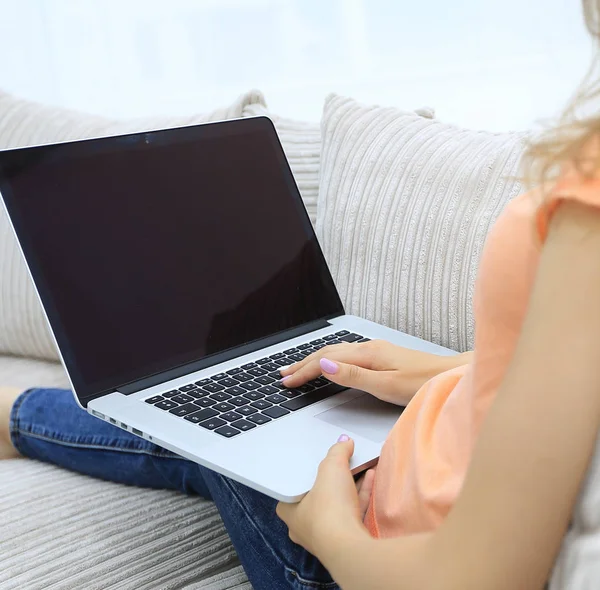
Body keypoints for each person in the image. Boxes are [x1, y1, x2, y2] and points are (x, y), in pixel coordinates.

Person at [2, 0, 600, 586]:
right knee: (216, 415)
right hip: (403, 467)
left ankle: (20, 417)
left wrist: (329, 532)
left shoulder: (588, 213)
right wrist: (443, 370)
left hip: (354, 553)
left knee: (201, 433)